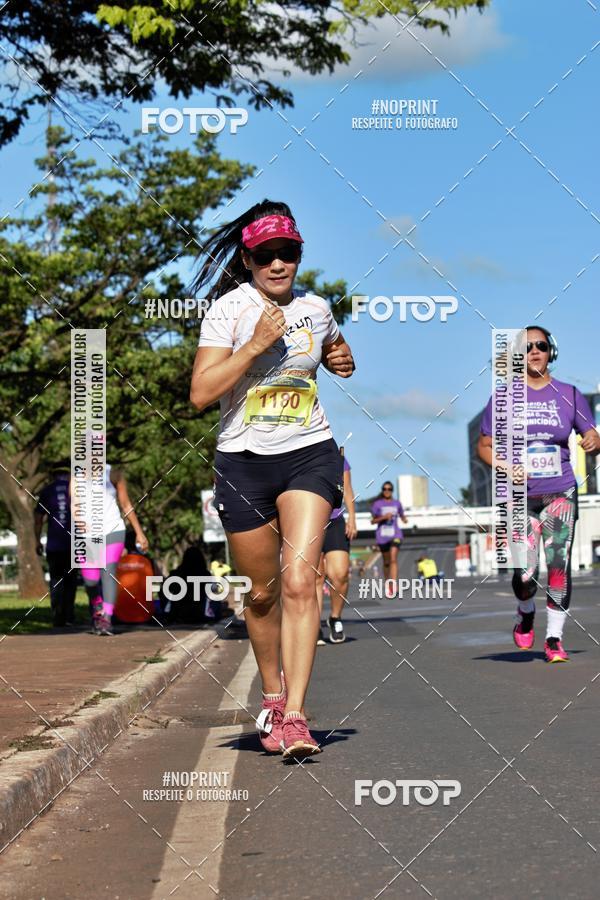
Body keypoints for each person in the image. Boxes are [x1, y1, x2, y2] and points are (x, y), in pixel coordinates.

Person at [190, 199, 355, 759]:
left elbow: (332, 350)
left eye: (288, 253)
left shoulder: (317, 307)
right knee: (261, 596)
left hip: (310, 452)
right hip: (242, 462)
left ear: (299, 255)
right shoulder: (227, 312)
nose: (278, 264)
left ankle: (298, 717)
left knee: (299, 583)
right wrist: (257, 344)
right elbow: (201, 393)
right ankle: (273, 695)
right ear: (249, 258)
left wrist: (341, 357)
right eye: (267, 255)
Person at [478, 326, 600, 663]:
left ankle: (554, 638)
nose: (534, 351)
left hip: (560, 492)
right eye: (526, 347)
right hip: (518, 498)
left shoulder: (570, 395)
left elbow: (591, 433)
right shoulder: (502, 398)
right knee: (526, 574)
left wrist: (593, 442)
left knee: (559, 567)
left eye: (541, 346)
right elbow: (484, 447)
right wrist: (504, 465)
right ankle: (525, 609)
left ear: (551, 352)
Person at [76, 464, 149, 636]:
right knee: (90, 581)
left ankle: (107, 619)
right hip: (87, 535)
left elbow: (125, 504)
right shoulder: (77, 474)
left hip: (113, 529)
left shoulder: (113, 474)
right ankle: (98, 607)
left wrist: (139, 533)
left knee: (108, 572)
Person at [316, 449, 357, 644]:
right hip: (309, 521)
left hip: (335, 519)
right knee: (315, 577)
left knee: (339, 573)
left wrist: (352, 519)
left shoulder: (338, 456)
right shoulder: (297, 449)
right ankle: (313, 626)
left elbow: (347, 489)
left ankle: (335, 617)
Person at [34, 466, 78, 626]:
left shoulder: (46, 491)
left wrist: (37, 540)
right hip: (74, 543)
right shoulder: (78, 489)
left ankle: (57, 617)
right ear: (68, 474)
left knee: (56, 580)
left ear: (53, 475)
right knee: (71, 580)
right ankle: (70, 615)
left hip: (54, 544)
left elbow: (38, 518)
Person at [371, 481, 408, 595]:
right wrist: (383, 517)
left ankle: (394, 583)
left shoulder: (397, 503)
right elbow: (373, 521)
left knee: (393, 558)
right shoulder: (377, 504)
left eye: (389, 489)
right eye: (385, 489)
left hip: (395, 534)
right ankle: (388, 584)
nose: (387, 491)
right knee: (386, 562)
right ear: (382, 490)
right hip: (382, 536)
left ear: (392, 491)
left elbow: (401, 514)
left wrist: (404, 519)